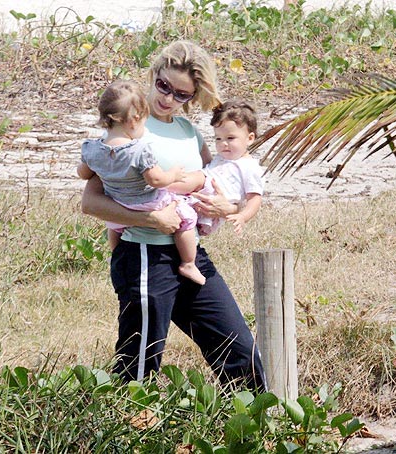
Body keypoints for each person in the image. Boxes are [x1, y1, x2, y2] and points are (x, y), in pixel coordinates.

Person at [81, 40, 266, 390]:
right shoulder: (127, 126)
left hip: (188, 254)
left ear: (193, 97)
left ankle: (255, 433)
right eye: (163, 85)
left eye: (181, 94)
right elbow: (90, 202)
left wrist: (229, 207)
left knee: (240, 351)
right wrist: (151, 220)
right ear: (153, 75)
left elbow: (215, 179)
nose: (167, 98)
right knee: (139, 363)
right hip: (143, 255)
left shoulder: (189, 133)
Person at [77, 80, 206, 285]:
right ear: (135, 120)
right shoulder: (139, 150)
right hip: (148, 203)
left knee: (115, 226)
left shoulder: (92, 148)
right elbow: (156, 180)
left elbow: (83, 173)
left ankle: (116, 252)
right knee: (186, 217)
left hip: (119, 204)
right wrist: (172, 174)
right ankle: (189, 262)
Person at [175, 100, 264, 236]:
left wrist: (243, 216)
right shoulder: (221, 158)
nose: (223, 144)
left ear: (250, 138)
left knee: (198, 178)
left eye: (230, 138)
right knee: (180, 217)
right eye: (218, 139)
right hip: (199, 200)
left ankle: (161, 183)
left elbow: (254, 198)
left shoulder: (249, 167)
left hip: (214, 197)